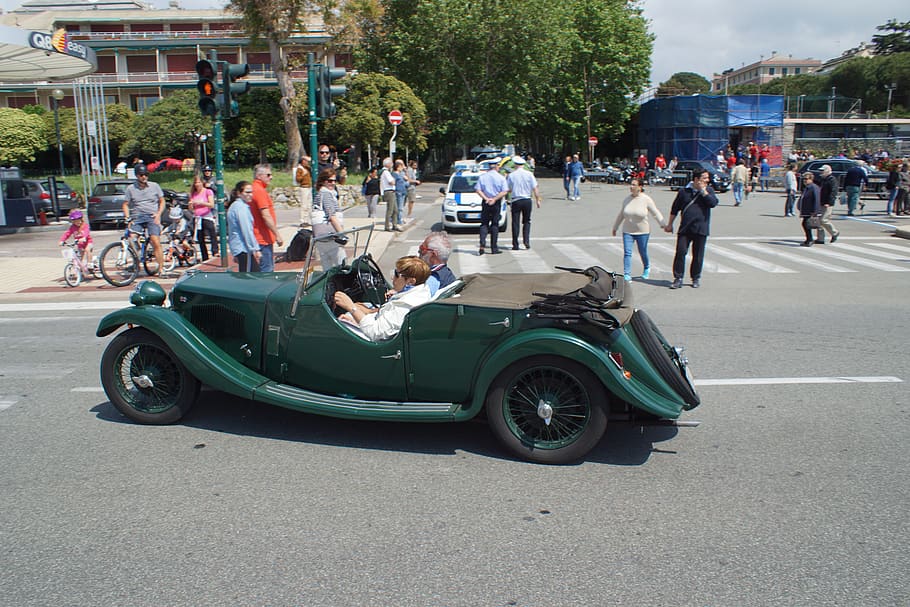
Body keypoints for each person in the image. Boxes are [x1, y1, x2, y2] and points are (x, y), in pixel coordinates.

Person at [333, 256, 431, 342]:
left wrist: (351, 307)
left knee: (337, 326)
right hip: (377, 325)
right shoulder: (420, 291)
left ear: (410, 281)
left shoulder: (404, 306)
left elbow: (375, 333)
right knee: (353, 311)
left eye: (397, 274)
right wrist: (356, 320)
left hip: (377, 342)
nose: (393, 278)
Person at [664, 168, 719, 289]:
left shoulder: (708, 190)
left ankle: (695, 277)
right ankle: (678, 278)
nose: (707, 180)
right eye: (704, 178)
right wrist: (670, 224)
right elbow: (675, 209)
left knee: (698, 255)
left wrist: (704, 192)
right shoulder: (684, 191)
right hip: (685, 229)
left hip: (701, 228)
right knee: (680, 252)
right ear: (696, 179)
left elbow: (713, 203)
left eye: (707, 178)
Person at [612, 178, 665, 282]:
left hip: (643, 231)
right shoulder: (627, 199)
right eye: (631, 184)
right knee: (627, 252)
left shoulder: (646, 199)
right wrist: (615, 227)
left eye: (634, 185)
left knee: (643, 251)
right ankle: (627, 274)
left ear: (640, 187)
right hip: (628, 231)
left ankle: (646, 268)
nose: (631, 187)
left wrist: (663, 224)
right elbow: (621, 214)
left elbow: (655, 212)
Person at [122, 164, 165, 274]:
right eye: (142, 175)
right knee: (131, 238)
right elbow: (125, 204)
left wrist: (158, 214)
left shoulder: (154, 186)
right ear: (137, 176)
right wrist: (127, 218)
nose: (144, 177)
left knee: (155, 240)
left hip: (152, 216)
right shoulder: (131, 189)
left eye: (146, 174)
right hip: (138, 217)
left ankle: (161, 269)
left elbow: (162, 201)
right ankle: (137, 260)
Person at [250, 163, 283, 272]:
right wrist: (277, 235)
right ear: (259, 176)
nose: (271, 177)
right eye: (268, 175)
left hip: (260, 236)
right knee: (267, 271)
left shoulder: (255, 188)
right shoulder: (259, 191)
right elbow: (265, 215)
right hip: (262, 238)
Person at [312, 168, 346, 269]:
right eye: (329, 181)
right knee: (341, 265)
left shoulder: (320, 194)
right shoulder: (327, 194)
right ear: (323, 181)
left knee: (326, 266)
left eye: (334, 181)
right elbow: (331, 216)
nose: (333, 183)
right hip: (331, 237)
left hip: (321, 238)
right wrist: (342, 234)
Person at [506, 156, 541, 251]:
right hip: (527, 200)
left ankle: (515, 244)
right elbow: (535, 187)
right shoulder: (529, 174)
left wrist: (506, 197)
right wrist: (538, 199)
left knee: (515, 222)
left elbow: (508, 189)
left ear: (515, 165)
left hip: (516, 200)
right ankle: (526, 241)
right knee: (527, 221)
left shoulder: (511, 175)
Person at [475, 161, 509, 255]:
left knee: (484, 224)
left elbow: (478, 189)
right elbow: (505, 191)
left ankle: (482, 244)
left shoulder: (482, 177)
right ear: (496, 167)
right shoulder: (501, 178)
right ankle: (494, 248)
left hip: (486, 202)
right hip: (496, 202)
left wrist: (486, 198)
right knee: (494, 225)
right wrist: (494, 199)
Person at [226, 180, 261, 272]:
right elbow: (246, 230)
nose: (250, 195)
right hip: (243, 248)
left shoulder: (235, 206)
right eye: (247, 192)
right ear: (239, 193)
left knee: (247, 275)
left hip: (239, 247)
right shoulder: (241, 208)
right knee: (252, 276)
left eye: (251, 192)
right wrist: (255, 248)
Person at [189, 175, 218, 261]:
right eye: (196, 183)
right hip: (198, 217)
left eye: (199, 182)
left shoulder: (208, 192)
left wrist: (201, 203)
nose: (197, 184)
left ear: (202, 183)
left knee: (212, 232)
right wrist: (191, 205)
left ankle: (215, 251)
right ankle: (204, 256)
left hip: (207, 215)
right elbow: (191, 208)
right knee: (200, 237)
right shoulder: (193, 194)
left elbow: (211, 204)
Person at [418, 231, 456, 297]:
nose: (419, 251)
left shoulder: (433, 279)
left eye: (422, 249)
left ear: (433, 254)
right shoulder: (446, 273)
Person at [815, 164, 840, 244]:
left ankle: (834, 232)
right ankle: (820, 238)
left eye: (822, 171)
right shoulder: (823, 179)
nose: (821, 172)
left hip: (827, 203)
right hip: (821, 202)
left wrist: (829, 202)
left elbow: (833, 192)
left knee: (824, 220)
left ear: (828, 171)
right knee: (819, 221)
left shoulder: (832, 180)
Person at [797, 172, 821, 246]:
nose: (804, 180)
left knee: (806, 224)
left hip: (810, 211)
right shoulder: (806, 187)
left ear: (811, 179)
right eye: (803, 179)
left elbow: (817, 200)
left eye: (806, 179)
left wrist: (815, 211)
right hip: (805, 210)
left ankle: (810, 239)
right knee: (805, 224)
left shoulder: (814, 187)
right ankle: (808, 239)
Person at [380, 157, 399, 231]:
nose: (392, 164)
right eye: (391, 163)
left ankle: (394, 224)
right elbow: (392, 182)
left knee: (395, 210)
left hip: (391, 191)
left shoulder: (386, 172)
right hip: (389, 191)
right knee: (390, 210)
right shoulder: (386, 172)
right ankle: (387, 226)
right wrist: (394, 180)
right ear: (387, 164)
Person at [295, 155, 313, 225]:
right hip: (304, 187)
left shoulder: (308, 168)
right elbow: (298, 179)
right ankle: (303, 220)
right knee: (304, 204)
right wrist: (303, 175)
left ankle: (308, 219)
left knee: (309, 204)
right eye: (305, 161)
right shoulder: (300, 169)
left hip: (309, 187)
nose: (307, 162)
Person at [393, 159, 408, 226]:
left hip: (403, 191)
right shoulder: (395, 174)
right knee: (399, 207)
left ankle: (399, 219)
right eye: (401, 167)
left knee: (401, 207)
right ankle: (399, 220)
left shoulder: (400, 174)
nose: (402, 168)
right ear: (398, 167)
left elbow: (406, 181)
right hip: (398, 192)